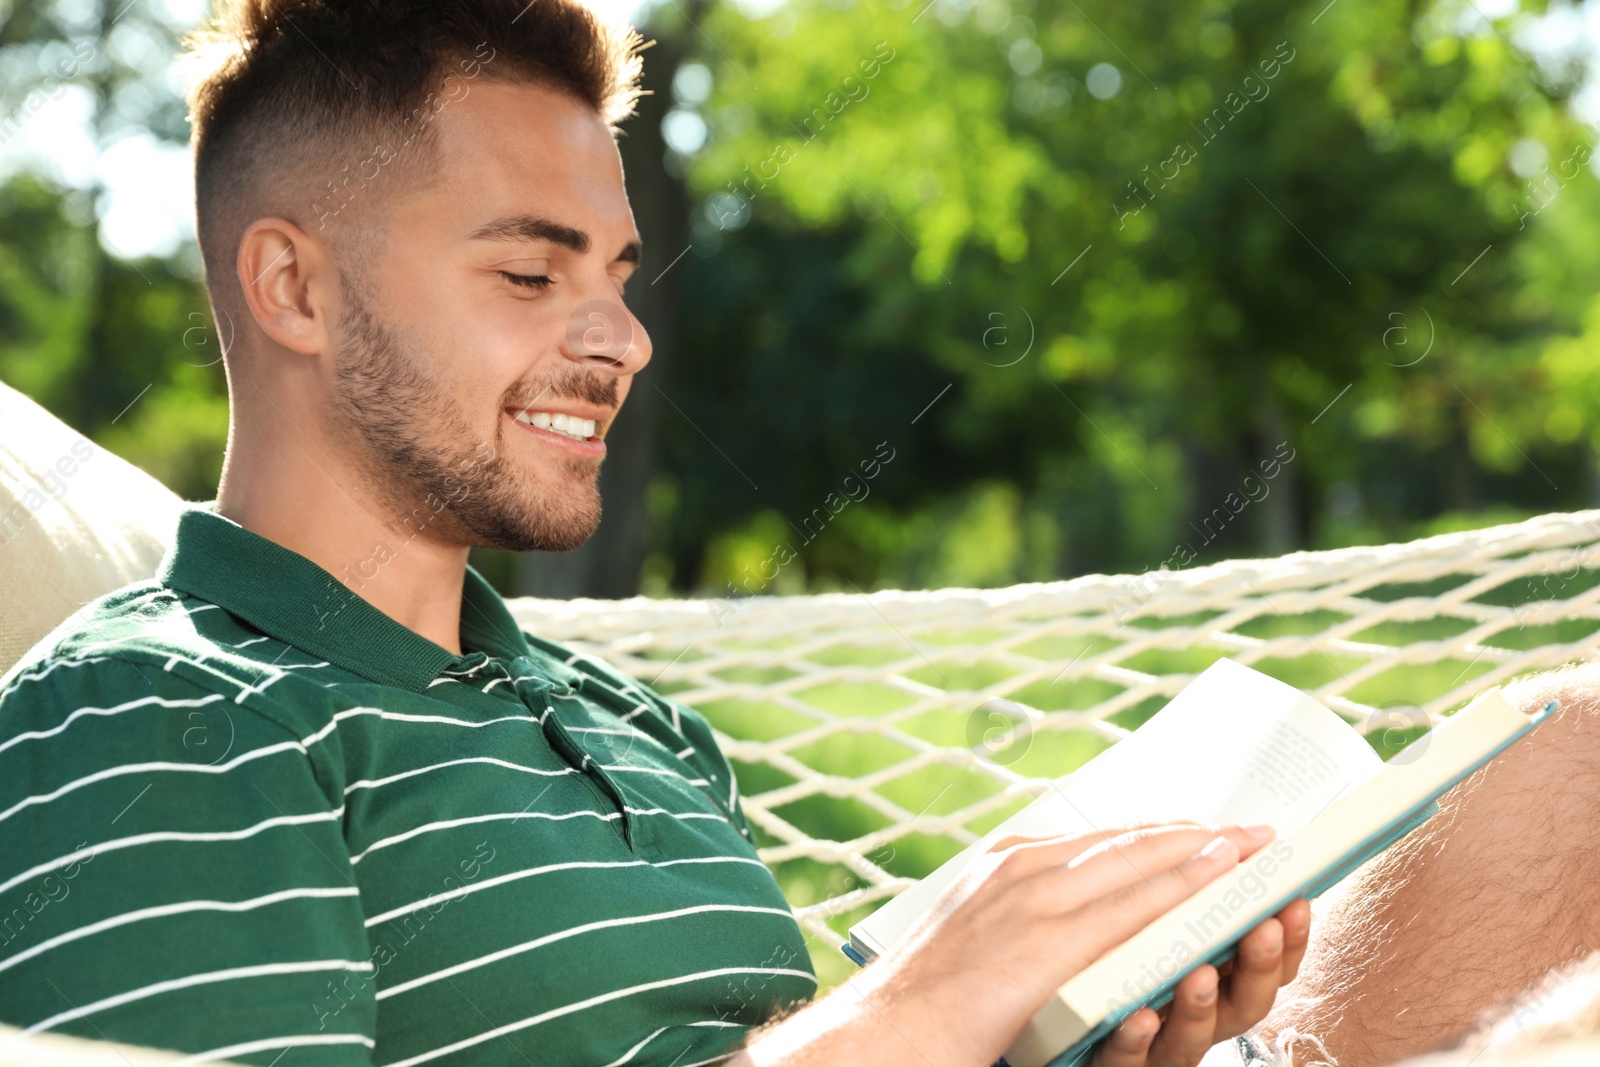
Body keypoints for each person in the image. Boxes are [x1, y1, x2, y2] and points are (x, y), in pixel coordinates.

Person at [0, 1, 1303, 1064]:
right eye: (528, 274)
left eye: (618, 279)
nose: (623, 343)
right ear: (296, 288)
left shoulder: (634, 725)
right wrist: (902, 1012)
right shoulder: (154, 714)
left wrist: (1043, 1031)